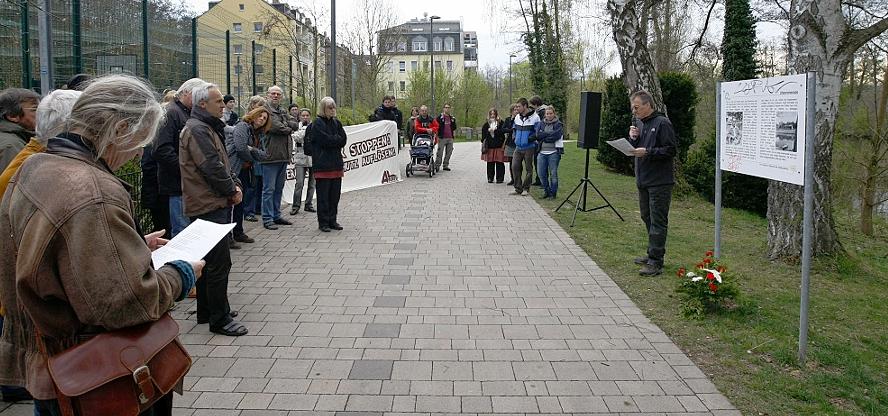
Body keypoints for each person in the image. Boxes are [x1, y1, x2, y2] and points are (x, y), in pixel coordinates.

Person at [0, 74, 203, 414]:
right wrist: (181, 274)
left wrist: (132, 243)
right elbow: (124, 302)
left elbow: (54, 255)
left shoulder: (36, 164)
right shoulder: (94, 192)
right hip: (96, 373)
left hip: (51, 365)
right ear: (121, 129)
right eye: (141, 142)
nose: (139, 155)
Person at [179, 82, 247, 336]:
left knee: (209, 261)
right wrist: (232, 190)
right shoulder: (197, 129)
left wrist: (234, 183)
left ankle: (208, 310)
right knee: (218, 262)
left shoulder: (205, 127)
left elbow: (222, 162)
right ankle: (220, 319)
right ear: (202, 104)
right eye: (218, 101)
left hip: (210, 200)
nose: (223, 104)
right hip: (208, 203)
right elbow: (211, 166)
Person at [627, 90, 677, 276]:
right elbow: (639, 146)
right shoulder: (640, 123)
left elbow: (671, 150)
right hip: (643, 179)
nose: (634, 111)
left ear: (648, 105)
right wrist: (634, 138)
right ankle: (652, 253)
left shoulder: (662, 123)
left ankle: (656, 261)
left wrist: (648, 152)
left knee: (658, 221)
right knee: (646, 217)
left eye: (637, 107)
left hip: (660, 182)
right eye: (633, 107)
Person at [153, 77, 205, 236]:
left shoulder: (186, 112)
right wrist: (185, 169)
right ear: (187, 93)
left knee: (190, 228)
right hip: (178, 184)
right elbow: (161, 149)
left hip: (188, 182)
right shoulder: (172, 113)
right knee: (183, 230)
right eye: (198, 96)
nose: (200, 101)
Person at [228, 107, 269, 244]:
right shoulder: (242, 126)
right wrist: (252, 155)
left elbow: (264, 154)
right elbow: (241, 148)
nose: (262, 119)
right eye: (260, 116)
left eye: (265, 118)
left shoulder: (258, 133)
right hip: (235, 169)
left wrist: (251, 149)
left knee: (241, 202)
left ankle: (238, 232)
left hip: (246, 170)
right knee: (231, 203)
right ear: (253, 115)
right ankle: (228, 237)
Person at [306, 97, 346, 233]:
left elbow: (343, 140)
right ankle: (323, 222)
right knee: (323, 196)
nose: (333, 110)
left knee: (335, 196)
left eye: (334, 107)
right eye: (330, 107)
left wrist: (334, 140)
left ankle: (332, 220)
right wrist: (335, 140)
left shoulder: (337, 123)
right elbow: (324, 140)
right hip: (322, 165)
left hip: (336, 164)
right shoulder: (317, 123)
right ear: (323, 108)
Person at [260, 86, 297, 230]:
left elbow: (294, 122)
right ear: (267, 95)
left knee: (278, 188)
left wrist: (287, 125)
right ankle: (267, 218)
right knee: (268, 189)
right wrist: (288, 127)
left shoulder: (282, 110)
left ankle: (276, 215)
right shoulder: (265, 111)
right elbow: (276, 127)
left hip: (283, 155)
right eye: (273, 93)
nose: (275, 96)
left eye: (278, 94)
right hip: (270, 156)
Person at [0, 88, 39, 171]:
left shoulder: (14, 138)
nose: (41, 114)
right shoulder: (11, 146)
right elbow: (13, 182)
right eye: (35, 110)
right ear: (12, 116)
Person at [243, 96, 268, 221]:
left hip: (256, 158)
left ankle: (257, 208)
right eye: (258, 106)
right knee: (250, 186)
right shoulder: (245, 124)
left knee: (258, 184)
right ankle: (248, 211)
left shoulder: (261, 126)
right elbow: (243, 146)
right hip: (247, 161)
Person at [511, 98, 540, 196]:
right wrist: (514, 137)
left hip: (529, 147)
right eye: (516, 106)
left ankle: (526, 188)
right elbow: (514, 128)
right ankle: (518, 188)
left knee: (528, 168)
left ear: (525, 106)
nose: (517, 108)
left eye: (519, 106)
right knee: (515, 167)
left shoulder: (535, 117)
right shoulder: (517, 117)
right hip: (518, 147)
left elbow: (537, 132)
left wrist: (528, 139)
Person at [535, 106, 564, 199]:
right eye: (547, 114)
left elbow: (556, 136)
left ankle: (553, 193)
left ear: (554, 114)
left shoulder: (558, 124)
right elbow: (538, 135)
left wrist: (544, 136)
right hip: (542, 152)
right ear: (545, 115)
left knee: (553, 174)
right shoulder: (541, 123)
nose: (549, 115)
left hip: (554, 153)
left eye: (551, 113)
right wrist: (547, 135)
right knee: (541, 173)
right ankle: (546, 191)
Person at [290, 108, 316, 215]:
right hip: (300, 157)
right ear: (300, 117)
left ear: (310, 116)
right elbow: (296, 137)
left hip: (313, 158)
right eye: (303, 115)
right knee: (299, 183)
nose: (305, 117)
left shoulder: (314, 126)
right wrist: (305, 132)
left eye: (307, 115)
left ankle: (308, 204)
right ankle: (296, 205)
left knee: (312, 183)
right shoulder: (297, 127)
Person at [481, 108, 507, 183]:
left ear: (496, 114)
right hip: (490, 146)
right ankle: (490, 177)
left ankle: (500, 178)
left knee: (499, 162)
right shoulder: (486, 124)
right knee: (490, 163)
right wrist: (488, 132)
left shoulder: (501, 123)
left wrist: (496, 130)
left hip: (499, 145)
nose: (492, 116)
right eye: (491, 114)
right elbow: (483, 138)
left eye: (494, 114)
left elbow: (503, 133)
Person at [435, 103, 457, 171]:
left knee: (449, 152)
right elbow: (436, 126)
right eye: (446, 107)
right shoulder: (439, 118)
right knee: (440, 152)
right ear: (443, 108)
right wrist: (437, 136)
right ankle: (437, 165)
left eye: (448, 107)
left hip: (450, 137)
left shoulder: (452, 118)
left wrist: (454, 135)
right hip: (442, 137)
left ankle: (445, 165)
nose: (447, 109)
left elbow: (454, 127)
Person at [504, 104, 517, 185]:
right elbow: (503, 129)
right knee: (511, 162)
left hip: (517, 143)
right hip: (510, 143)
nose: (515, 111)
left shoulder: (520, 119)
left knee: (517, 163)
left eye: (517, 109)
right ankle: (512, 179)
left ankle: (517, 179)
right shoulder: (508, 119)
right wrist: (510, 130)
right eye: (514, 110)